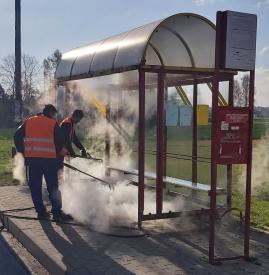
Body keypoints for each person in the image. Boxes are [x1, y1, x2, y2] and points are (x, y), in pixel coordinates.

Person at [14, 104, 70, 221]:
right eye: (54, 114)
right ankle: (56, 212)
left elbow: (17, 136)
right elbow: (60, 140)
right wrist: (59, 154)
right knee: (53, 188)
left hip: (33, 161)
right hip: (49, 161)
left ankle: (41, 213)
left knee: (35, 188)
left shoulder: (29, 121)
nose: (54, 117)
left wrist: (24, 152)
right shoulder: (52, 123)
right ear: (51, 113)